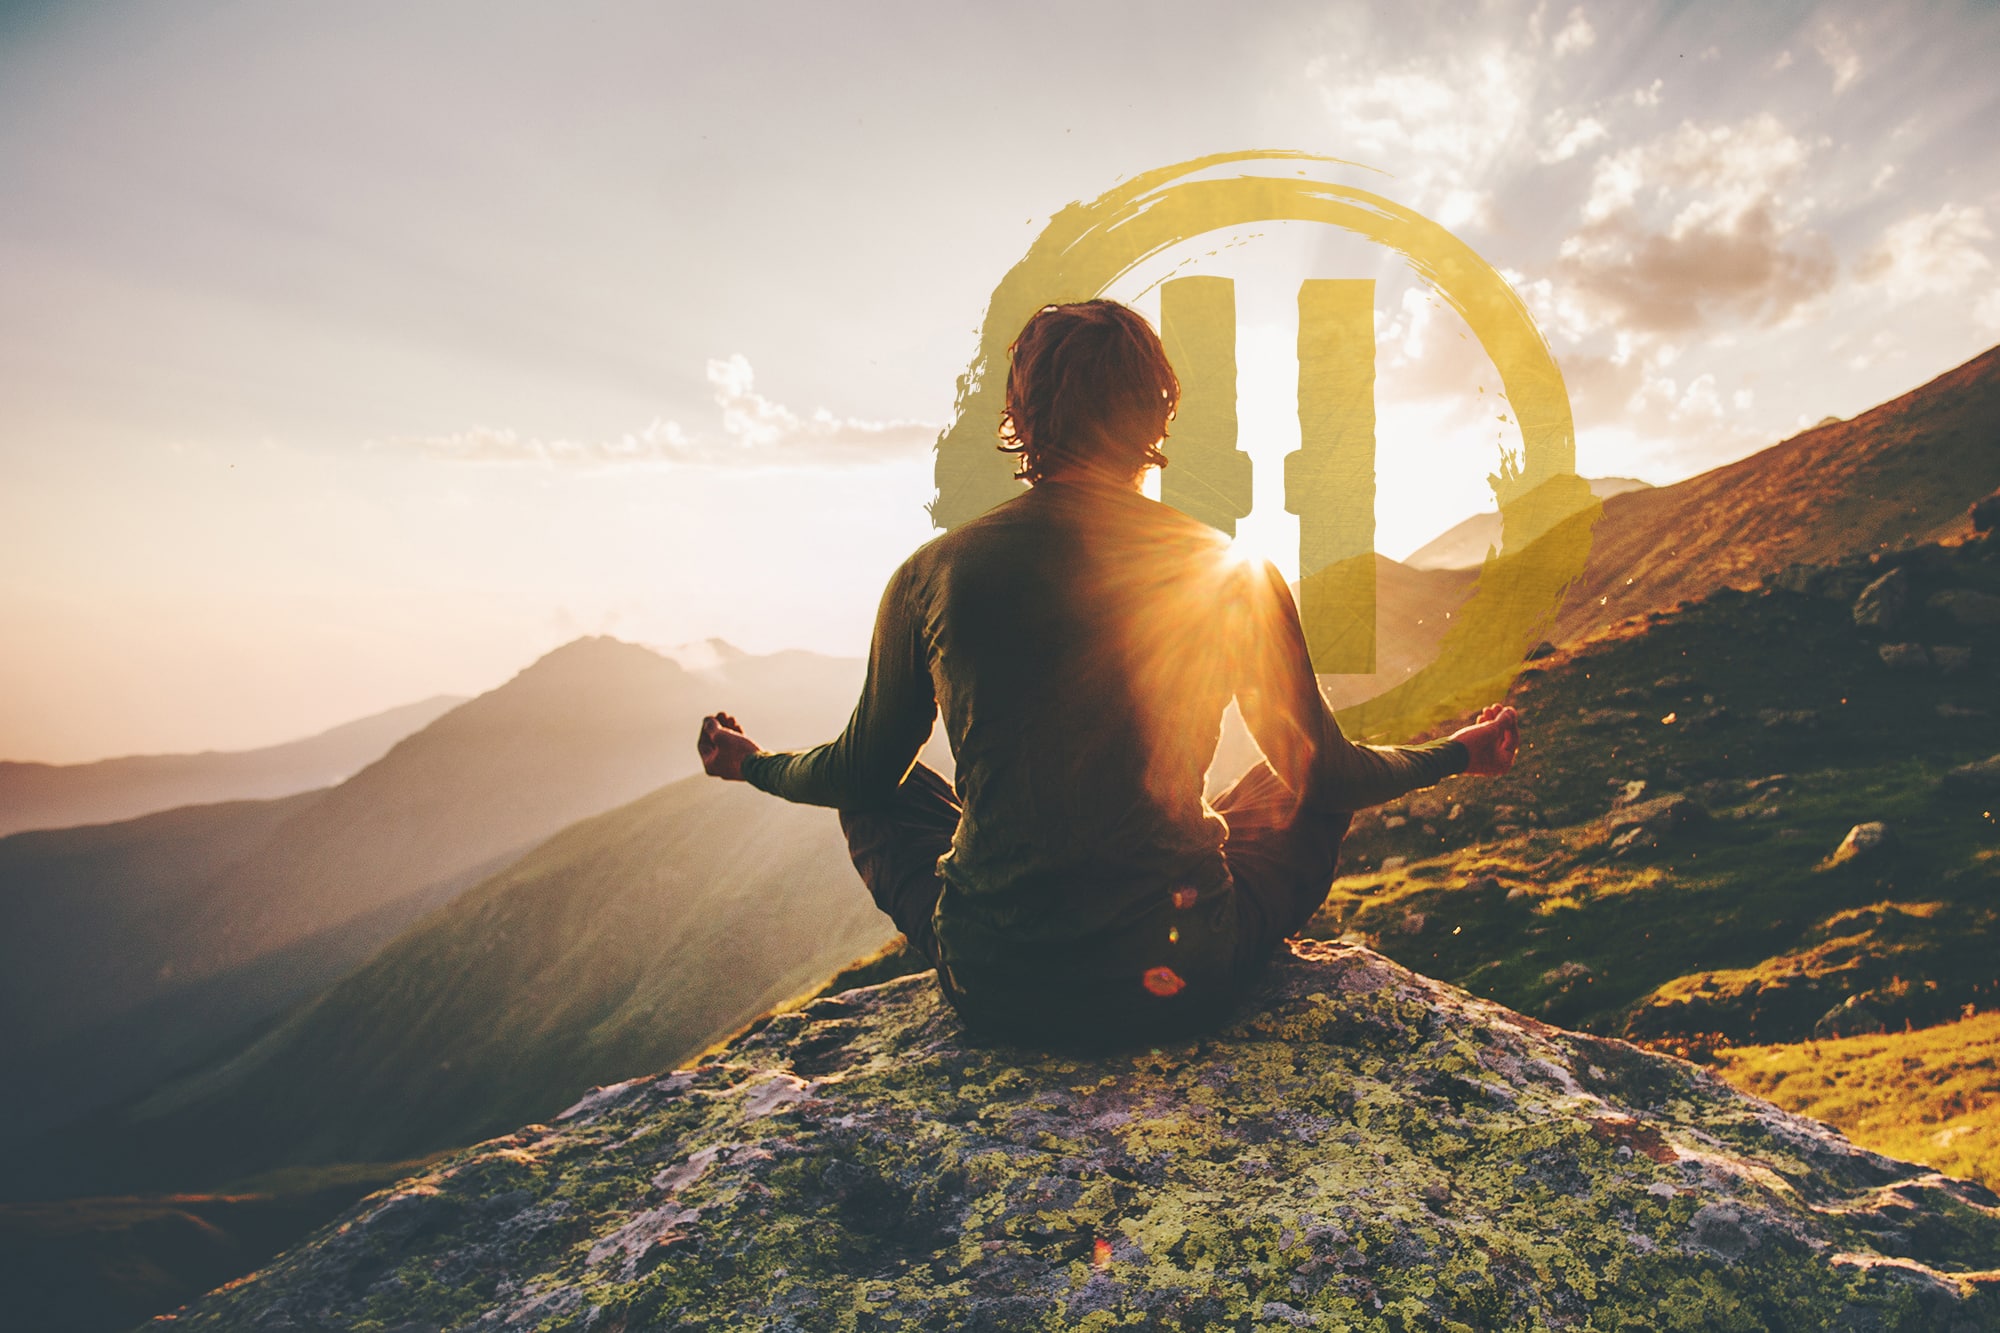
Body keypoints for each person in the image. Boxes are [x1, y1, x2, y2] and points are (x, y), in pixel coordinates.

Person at [698, 299, 1519, 1047]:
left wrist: (753, 763)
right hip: (1180, 980)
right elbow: (1332, 775)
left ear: (1021, 416)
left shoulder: (934, 572)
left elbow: (855, 771)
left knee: (885, 787)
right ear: (1158, 412)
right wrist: (1458, 752)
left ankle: (1009, 915)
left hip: (998, 987)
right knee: (1292, 784)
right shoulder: (1230, 569)